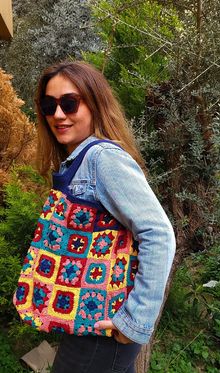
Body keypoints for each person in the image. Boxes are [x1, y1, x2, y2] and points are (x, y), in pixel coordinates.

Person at [34, 60, 176, 373]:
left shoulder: (102, 158)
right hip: (89, 318)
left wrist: (135, 321)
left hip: (103, 324)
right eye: (49, 105)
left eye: (69, 103)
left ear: (95, 103)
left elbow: (159, 233)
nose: (58, 114)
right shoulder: (80, 159)